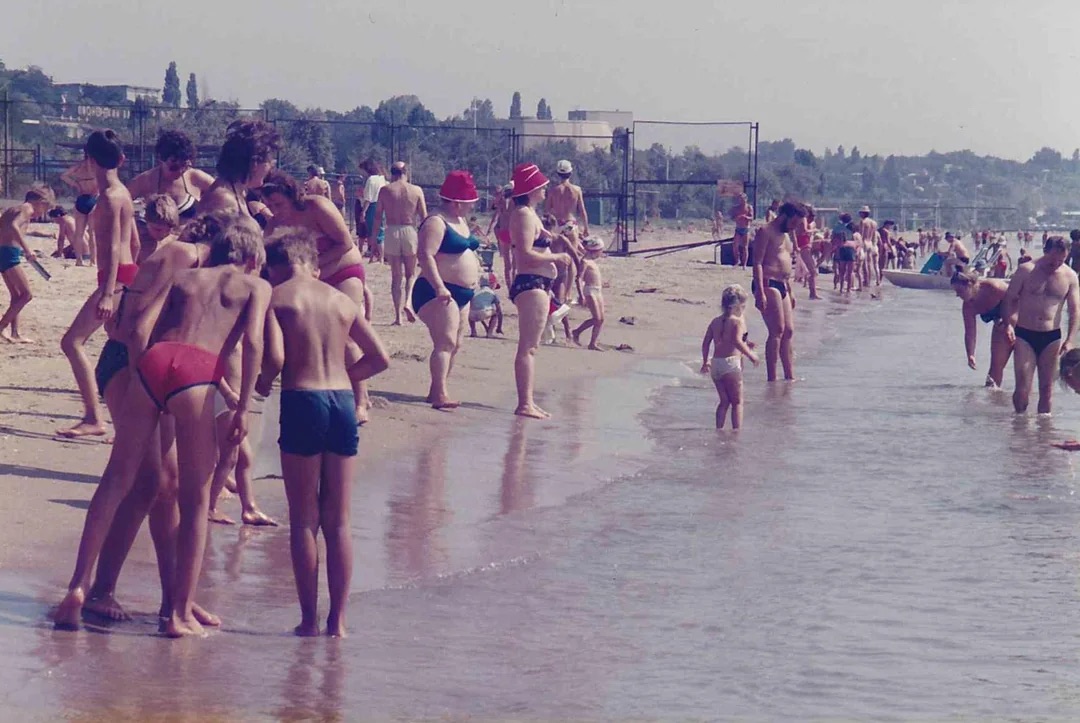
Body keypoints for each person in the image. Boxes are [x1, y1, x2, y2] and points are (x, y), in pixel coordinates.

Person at [54, 216, 271, 637]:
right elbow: (256, 346)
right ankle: (178, 613)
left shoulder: (186, 276)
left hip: (153, 365)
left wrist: (145, 378)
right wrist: (243, 406)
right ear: (249, 259)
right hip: (196, 373)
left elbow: (139, 329)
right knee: (195, 498)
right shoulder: (254, 286)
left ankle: (79, 587)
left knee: (118, 479)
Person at [79, 212, 223, 625]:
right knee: (146, 482)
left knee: (168, 485)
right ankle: (100, 589)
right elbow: (133, 329)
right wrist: (152, 392)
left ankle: (176, 598)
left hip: (154, 370)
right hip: (132, 367)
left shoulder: (190, 260)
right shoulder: (182, 255)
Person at [256, 227, 390, 637]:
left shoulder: (276, 298)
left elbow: (276, 358)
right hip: (343, 402)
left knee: (303, 520)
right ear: (312, 263)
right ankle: (339, 622)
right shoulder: (340, 301)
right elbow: (379, 358)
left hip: (302, 399)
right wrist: (345, 377)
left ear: (277, 266)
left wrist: (259, 386)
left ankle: (309, 620)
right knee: (339, 521)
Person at [259, 170, 375, 423]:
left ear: (293, 196)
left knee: (347, 338)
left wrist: (314, 268)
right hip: (309, 277)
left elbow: (345, 244)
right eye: (269, 205)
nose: (274, 210)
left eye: (278, 204)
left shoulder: (318, 206)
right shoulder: (274, 225)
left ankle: (361, 399)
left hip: (343, 269)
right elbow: (265, 260)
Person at [57, 130, 139, 439]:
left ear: (88, 161)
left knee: (72, 342)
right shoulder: (124, 192)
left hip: (114, 280)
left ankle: (94, 417)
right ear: (121, 159)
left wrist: (108, 293)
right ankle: (128, 417)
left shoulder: (107, 197)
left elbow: (117, 246)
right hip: (127, 275)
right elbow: (135, 241)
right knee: (124, 345)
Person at [412, 171, 482, 410]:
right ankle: (440, 393)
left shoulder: (460, 221)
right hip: (437, 290)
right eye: (469, 201)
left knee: (457, 343)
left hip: (462, 293)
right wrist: (440, 287)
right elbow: (425, 255)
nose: (473, 205)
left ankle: (435, 389)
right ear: (455, 202)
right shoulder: (435, 221)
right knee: (446, 341)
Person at [508, 163, 573, 419]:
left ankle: (529, 402)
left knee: (532, 346)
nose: (546, 188)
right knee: (528, 347)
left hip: (539, 284)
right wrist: (555, 257)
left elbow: (537, 241)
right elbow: (524, 253)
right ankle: (525, 403)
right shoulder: (523, 214)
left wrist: (556, 237)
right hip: (531, 283)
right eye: (542, 186)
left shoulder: (530, 213)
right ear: (533, 189)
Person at [1002, 235, 1080, 414]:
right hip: (1025, 334)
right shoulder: (1026, 270)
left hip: (1052, 337)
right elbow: (1009, 299)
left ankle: (1043, 434)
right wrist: (1008, 324)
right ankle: (1019, 426)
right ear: (1045, 252)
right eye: (1052, 259)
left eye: (1061, 260)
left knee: (1046, 389)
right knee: (1022, 388)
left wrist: (1070, 339)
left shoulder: (1070, 276)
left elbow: (1075, 310)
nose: (1056, 264)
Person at [751, 201, 807, 381]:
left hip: (783, 284)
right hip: (767, 283)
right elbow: (757, 262)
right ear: (785, 216)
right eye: (794, 222)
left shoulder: (787, 235)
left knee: (788, 331)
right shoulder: (765, 231)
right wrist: (759, 291)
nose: (795, 227)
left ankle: (789, 376)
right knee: (777, 330)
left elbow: (786, 263)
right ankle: (772, 378)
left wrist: (790, 291)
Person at [372, 161, 428, 325]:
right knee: (411, 274)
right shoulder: (416, 190)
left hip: (391, 231)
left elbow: (377, 217)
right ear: (406, 172)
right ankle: (408, 302)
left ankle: (398, 317)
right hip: (410, 230)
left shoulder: (385, 190)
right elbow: (424, 217)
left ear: (392, 173)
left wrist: (374, 238)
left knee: (396, 276)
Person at [0, 186, 56, 343]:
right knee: (26, 295)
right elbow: (13, 226)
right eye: (46, 208)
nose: (42, 213)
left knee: (16, 296)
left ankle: (15, 333)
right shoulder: (27, 209)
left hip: (3, 252)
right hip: (9, 253)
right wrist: (27, 250)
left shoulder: (13, 208)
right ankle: (1, 328)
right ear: (41, 202)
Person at [700, 284, 759, 429]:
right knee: (737, 402)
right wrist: (751, 355)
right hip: (731, 364)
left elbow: (706, 342)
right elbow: (736, 341)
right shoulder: (737, 321)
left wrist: (705, 361)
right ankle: (736, 433)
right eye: (743, 307)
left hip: (716, 365)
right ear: (737, 306)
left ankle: (719, 429)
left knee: (724, 401)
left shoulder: (715, 321)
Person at [126, 129, 214, 223]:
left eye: (184, 166)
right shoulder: (145, 180)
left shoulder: (196, 178)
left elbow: (225, 196)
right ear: (160, 159)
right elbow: (121, 204)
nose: (180, 171)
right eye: (174, 167)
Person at [198, 119, 282, 218]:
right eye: (269, 159)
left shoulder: (237, 192)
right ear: (254, 163)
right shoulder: (223, 201)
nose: (272, 164)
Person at [950, 269, 1014, 388]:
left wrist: (1008, 322)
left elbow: (1018, 298)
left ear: (969, 284)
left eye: (959, 291)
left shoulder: (992, 287)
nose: (957, 295)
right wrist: (971, 354)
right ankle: (991, 401)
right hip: (1000, 328)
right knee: (995, 368)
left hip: (1020, 320)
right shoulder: (968, 307)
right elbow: (970, 332)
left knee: (1023, 368)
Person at [546, 160, 589, 303]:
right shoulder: (576, 190)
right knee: (571, 260)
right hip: (571, 223)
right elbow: (582, 211)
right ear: (570, 172)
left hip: (558, 224)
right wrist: (586, 228)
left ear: (558, 173)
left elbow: (548, 211)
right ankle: (568, 293)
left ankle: (557, 290)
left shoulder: (553, 190)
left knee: (558, 258)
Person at [60, 157, 98, 265]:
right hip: (93, 199)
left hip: (81, 198)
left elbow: (64, 176)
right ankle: (93, 260)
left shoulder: (80, 167)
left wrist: (76, 184)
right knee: (92, 233)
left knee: (79, 233)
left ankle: (79, 260)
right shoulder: (97, 168)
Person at [572, 237, 606, 350]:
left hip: (598, 290)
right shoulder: (584, 261)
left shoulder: (592, 261)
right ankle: (577, 332)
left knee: (601, 319)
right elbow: (578, 278)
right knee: (596, 318)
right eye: (600, 250)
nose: (601, 253)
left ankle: (593, 343)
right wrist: (581, 295)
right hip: (590, 290)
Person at [359, 159, 387, 262]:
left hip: (372, 206)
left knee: (374, 232)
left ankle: (380, 257)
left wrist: (363, 211)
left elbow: (368, 198)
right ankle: (376, 256)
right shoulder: (381, 179)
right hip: (381, 205)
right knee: (378, 231)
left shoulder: (371, 180)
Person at [489, 183, 515, 288]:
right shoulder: (515, 203)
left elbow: (494, 214)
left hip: (503, 232)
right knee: (515, 263)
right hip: (513, 232)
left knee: (507, 263)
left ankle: (509, 287)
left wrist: (490, 229)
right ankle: (513, 285)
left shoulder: (501, 202)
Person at [795, 205, 821, 300]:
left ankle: (813, 292)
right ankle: (813, 293)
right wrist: (814, 230)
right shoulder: (804, 219)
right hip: (804, 246)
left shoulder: (800, 220)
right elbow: (804, 231)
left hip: (805, 246)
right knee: (813, 271)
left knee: (812, 270)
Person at [468, 272, 503, 338]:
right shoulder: (492, 293)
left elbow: (478, 310)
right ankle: (490, 333)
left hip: (471, 315)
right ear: (492, 284)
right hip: (483, 313)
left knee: (474, 310)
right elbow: (499, 312)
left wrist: (486, 327)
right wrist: (499, 327)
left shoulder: (476, 292)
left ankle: (473, 331)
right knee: (495, 314)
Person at [858, 205, 880, 286]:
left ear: (862, 213)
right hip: (870, 242)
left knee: (864, 264)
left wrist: (859, 244)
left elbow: (861, 234)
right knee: (869, 263)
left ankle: (866, 281)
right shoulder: (874, 223)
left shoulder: (863, 222)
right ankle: (870, 280)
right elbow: (874, 234)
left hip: (864, 242)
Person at [732, 193, 753, 268]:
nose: (741, 201)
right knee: (735, 245)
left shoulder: (749, 207)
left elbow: (752, 218)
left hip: (746, 228)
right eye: (740, 199)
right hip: (738, 228)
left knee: (745, 247)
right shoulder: (736, 208)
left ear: (746, 199)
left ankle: (744, 264)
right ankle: (737, 261)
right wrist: (737, 218)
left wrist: (746, 217)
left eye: (743, 199)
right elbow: (733, 218)